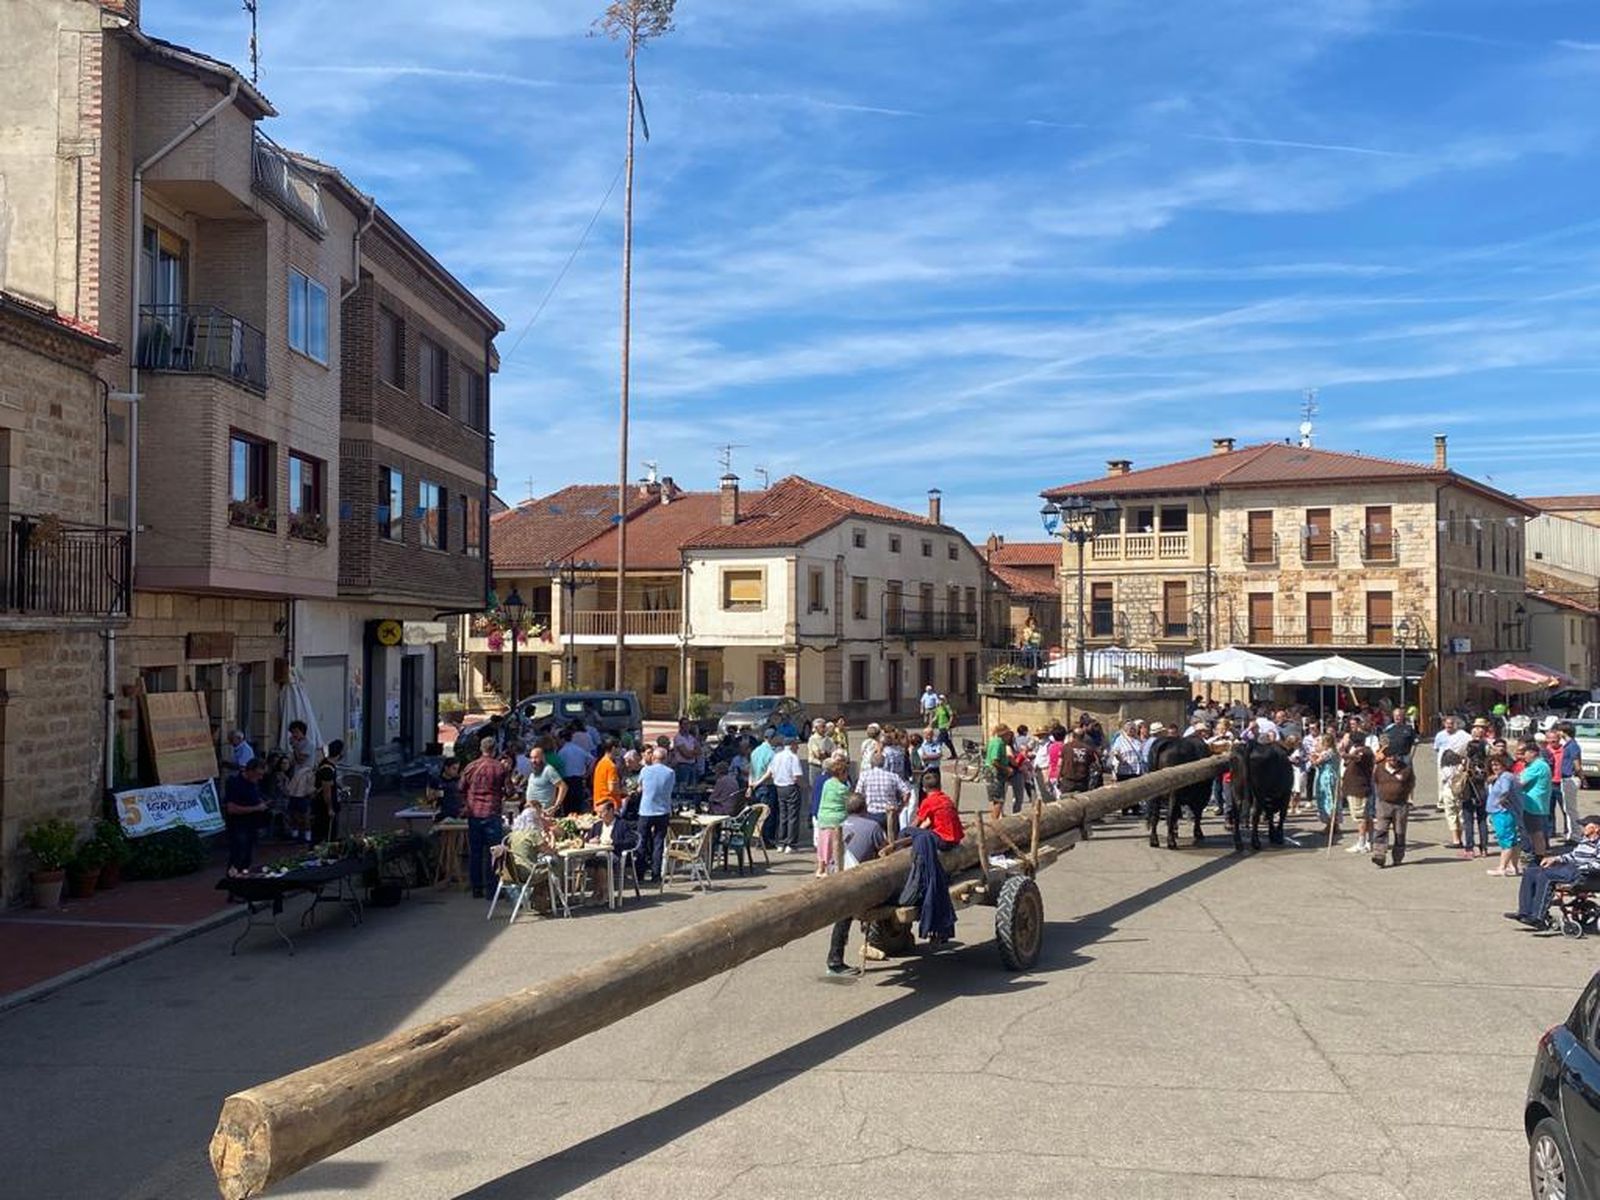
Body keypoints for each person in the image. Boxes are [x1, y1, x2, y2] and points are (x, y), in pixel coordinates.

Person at [825, 795, 888, 976]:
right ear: (865, 808)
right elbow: (885, 852)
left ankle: (869, 938)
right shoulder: (872, 826)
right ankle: (835, 961)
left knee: (843, 915)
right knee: (845, 916)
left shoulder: (841, 825)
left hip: (836, 873)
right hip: (854, 878)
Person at [1507, 816, 1600, 929]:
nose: (1583, 827)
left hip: (1587, 875)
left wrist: (1581, 867)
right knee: (1530, 872)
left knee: (1546, 875)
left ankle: (1538, 917)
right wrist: (1555, 859)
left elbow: (1598, 865)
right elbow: (1572, 856)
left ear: (1596, 828)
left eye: (1586, 825)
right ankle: (1524, 911)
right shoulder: (1585, 840)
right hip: (1572, 869)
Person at [459, 735, 509, 899]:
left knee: (475, 852)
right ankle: (492, 890)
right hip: (492, 812)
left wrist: (467, 802)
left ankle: (476, 888)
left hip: (474, 813)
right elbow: (509, 790)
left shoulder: (470, 767)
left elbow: (460, 788)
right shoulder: (500, 768)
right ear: (494, 750)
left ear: (481, 749)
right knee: (493, 852)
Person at [751, 736, 806, 852]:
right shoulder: (793, 757)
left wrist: (756, 782)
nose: (798, 747)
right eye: (796, 745)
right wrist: (805, 786)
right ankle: (791, 844)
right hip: (791, 786)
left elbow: (770, 772)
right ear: (791, 745)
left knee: (783, 815)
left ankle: (781, 843)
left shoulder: (777, 756)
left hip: (779, 788)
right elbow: (797, 776)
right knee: (793, 815)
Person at [584, 799, 639, 905]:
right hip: (597, 853)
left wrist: (614, 843)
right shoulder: (597, 826)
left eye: (601, 812)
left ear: (611, 811)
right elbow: (586, 840)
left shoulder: (622, 824)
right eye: (597, 813)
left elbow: (631, 841)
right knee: (589, 863)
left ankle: (603, 892)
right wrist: (591, 841)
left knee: (601, 862)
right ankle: (598, 891)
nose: (599, 815)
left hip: (615, 855)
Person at [1370, 748, 1416, 868]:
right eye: (1390, 757)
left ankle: (1398, 857)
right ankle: (1379, 855)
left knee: (1399, 832)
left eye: (1394, 757)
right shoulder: (1379, 768)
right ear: (1386, 758)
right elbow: (1375, 781)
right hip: (1383, 804)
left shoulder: (1406, 769)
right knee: (1381, 830)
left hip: (1400, 804)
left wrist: (1406, 796)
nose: (1392, 759)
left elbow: (1411, 784)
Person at [223, 757, 270, 875]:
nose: (260, 778)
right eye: (258, 775)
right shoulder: (235, 783)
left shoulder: (253, 784)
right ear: (250, 771)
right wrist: (256, 808)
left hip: (251, 825)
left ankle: (243, 881)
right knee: (238, 856)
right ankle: (232, 883)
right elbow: (231, 808)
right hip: (239, 826)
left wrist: (262, 803)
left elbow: (254, 798)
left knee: (247, 858)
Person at [636, 747, 676, 882]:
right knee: (658, 843)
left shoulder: (645, 770)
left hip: (646, 810)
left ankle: (640, 873)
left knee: (641, 841)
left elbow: (640, 788)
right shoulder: (670, 772)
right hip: (662, 810)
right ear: (665, 759)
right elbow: (670, 789)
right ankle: (656, 874)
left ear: (653, 758)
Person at [1485, 753, 1524, 877]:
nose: (1495, 767)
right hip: (1505, 812)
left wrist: (1501, 800)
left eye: (1497, 764)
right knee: (1513, 841)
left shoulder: (1506, 777)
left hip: (1503, 813)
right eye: (1493, 765)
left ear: (1504, 764)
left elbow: (1505, 790)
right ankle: (1514, 867)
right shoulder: (1504, 776)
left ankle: (1502, 867)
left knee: (1505, 840)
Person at [814, 757, 852, 877]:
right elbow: (850, 803)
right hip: (836, 819)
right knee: (834, 846)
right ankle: (834, 868)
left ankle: (820, 869)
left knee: (823, 844)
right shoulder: (843, 788)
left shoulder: (827, 783)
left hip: (823, 817)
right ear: (842, 774)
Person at [855, 751, 911, 830]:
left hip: (871, 814)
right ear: (884, 763)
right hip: (890, 814)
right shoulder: (893, 776)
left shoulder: (864, 776)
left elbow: (858, 795)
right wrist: (900, 807)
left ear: (871, 763)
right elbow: (907, 792)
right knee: (893, 840)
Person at [1520, 740, 1555, 856]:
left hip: (1533, 804)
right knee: (1537, 831)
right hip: (1539, 803)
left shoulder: (1537, 766)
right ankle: (1539, 854)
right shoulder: (1543, 764)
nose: (1523, 756)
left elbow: (1520, 783)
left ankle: (1539, 856)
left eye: (1524, 753)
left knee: (1535, 833)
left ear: (1532, 753)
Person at [912, 773, 964, 849]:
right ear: (939, 786)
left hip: (943, 840)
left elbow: (917, 821)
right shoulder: (946, 799)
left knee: (906, 832)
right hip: (957, 839)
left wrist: (910, 831)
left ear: (924, 789)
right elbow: (928, 821)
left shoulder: (928, 801)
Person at [283, 720, 315, 843]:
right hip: (296, 778)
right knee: (294, 807)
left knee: (304, 808)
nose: (294, 735)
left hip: (304, 779)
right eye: (292, 732)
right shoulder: (296, 744)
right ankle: (295, 833)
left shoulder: (308, 744)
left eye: (296, 732)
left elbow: (301, 760)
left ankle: (307, 834)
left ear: (302, 732)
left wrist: (295, 747)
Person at [310, 739, 344, 845]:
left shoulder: (326, 764)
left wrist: (341, 787)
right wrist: (330, 808)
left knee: (323, 831)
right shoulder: (327, 769)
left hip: (323, 803)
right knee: (326, 832)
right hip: (323, 806)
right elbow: (326, 790)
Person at [555, 729, 594, 816]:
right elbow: (592, 760)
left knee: (568, 808)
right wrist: (587, 774)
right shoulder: (579, 749)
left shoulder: (561, 752)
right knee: (578, 808)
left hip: (567, 781)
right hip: (578, 780)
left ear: (562, 739)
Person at [1556, 725, 1584, 842]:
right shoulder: (1568, 745)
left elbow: (1576, 764)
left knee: (1570, 809)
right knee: (1568, 808)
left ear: (1564, 732)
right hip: (1567, 778)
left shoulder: (1572, 746)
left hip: (1570, 778)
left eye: (1559, 730)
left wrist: (1581, 777)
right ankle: (1572, 833)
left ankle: (1575, 835)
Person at [523, 746, 567, 815]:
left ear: (542, 757)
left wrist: (556, 806)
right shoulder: (534, 771)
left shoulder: (548, 770)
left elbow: (563, 787)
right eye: (531, 758)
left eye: (536, 757)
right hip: (531, 812)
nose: (533, 760)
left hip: (544, 812)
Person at [982, 723, 1012, 820]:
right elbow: (995, 761)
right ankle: (994, 821)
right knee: (999, 800)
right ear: (1004, 734)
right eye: (1008, 735)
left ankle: (994, 818)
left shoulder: (993, 741)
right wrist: (1006, 769)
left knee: (995, 799)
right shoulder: (998, 743)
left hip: (990, 771)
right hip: (994, 773)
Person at [591, 740, 624, 813]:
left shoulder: (600, 763)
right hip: (610, 805)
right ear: (613, 748)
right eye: (619, 747)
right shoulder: (611, 766)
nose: (621, 750)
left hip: (599, 803)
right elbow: (612, 788)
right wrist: (623, 792)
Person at [669, 719, 702, 791]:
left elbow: (699, 751)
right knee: (683, 787)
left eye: (688, 724)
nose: (687, 726)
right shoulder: (678, 738)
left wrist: (691, 752)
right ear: (680, 726)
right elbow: (686, 754)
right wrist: (693, 752)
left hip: (693, 765)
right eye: (685, 724)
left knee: (693, 787)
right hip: (683, 766)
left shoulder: (691, 737)